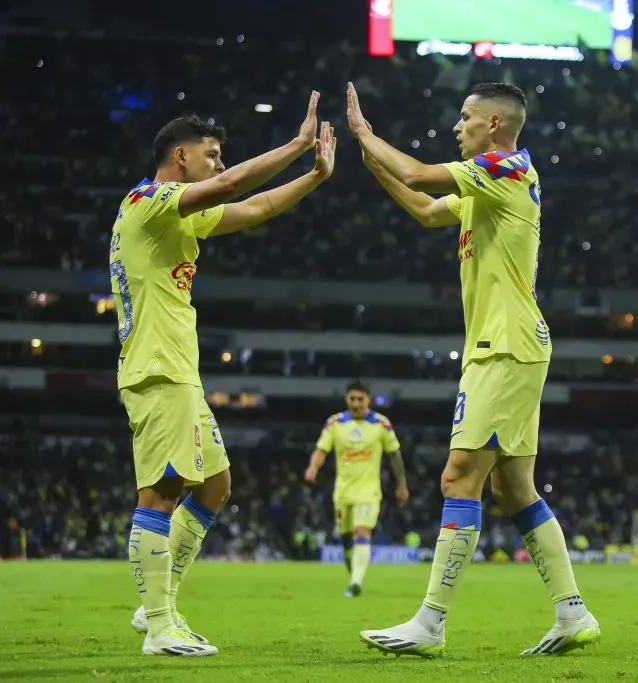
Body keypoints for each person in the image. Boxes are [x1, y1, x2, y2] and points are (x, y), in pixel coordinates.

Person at [346, 81, 600, 657]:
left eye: (464, 118)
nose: (455, 126)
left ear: (493, 125)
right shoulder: (493, 181)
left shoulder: (502, 168)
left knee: (460, 477)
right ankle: (571, 611)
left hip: (503, 346)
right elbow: (427, 208)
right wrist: (375, 165)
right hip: (511, 346)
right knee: (515, 487)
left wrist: (366, 133)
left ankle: (430, 622)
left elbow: (417, 175)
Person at [114, 93, 336, 656]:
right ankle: (161, 626)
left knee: (215, 487)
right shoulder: (149, 201)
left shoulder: (177, 215)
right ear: (181, 156)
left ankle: (154, 603)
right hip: (158, 369)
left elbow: (255, 210)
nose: (218, 163)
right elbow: (231, 188)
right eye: (212, 154)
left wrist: (312, 176)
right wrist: (294, 144)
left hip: (178, 370)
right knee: (161, 492)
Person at [304, 380, 410, 597]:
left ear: (368, 399)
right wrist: (313, 467)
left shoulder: (381, 424)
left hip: (369, 491)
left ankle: (355, 583)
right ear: (346, 399)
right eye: (352, 399)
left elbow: (395, 455)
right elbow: (321, 449)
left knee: (362, 531)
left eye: (360, 399)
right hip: (342, 492)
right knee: (345, 538)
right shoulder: (334, 423)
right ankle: (354, 574)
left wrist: (402, 484)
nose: (356, 403)